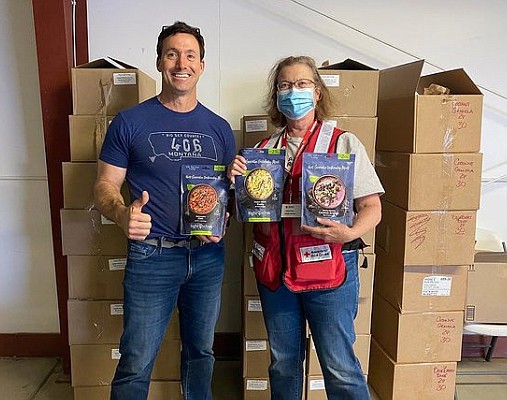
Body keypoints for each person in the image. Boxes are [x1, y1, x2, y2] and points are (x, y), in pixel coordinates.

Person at [93, 21, 236, 400]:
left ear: (202, 65)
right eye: (172, 54)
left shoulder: (220, 129)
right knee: (137, 358)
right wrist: (123, 214)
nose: (181, 62)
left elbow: (224, 197)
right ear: (159, 62)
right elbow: (105, 186)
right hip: (152, 255)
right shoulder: (129, 122)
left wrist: (223, 222)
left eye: (190, 55)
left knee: (201, 354)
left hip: (207, 256)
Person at [228, 55, 384, 400]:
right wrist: (236, 181)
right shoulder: (262, 152)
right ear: (276, 96)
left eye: (301, 84)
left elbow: (372, 208)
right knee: (282, 364)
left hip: (330, 273)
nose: (293, 92)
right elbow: (245, 215)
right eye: (285, 86)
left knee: (340, 366)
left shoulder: (343, 143)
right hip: (276, 273)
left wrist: (349, 233)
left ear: (317, 93)